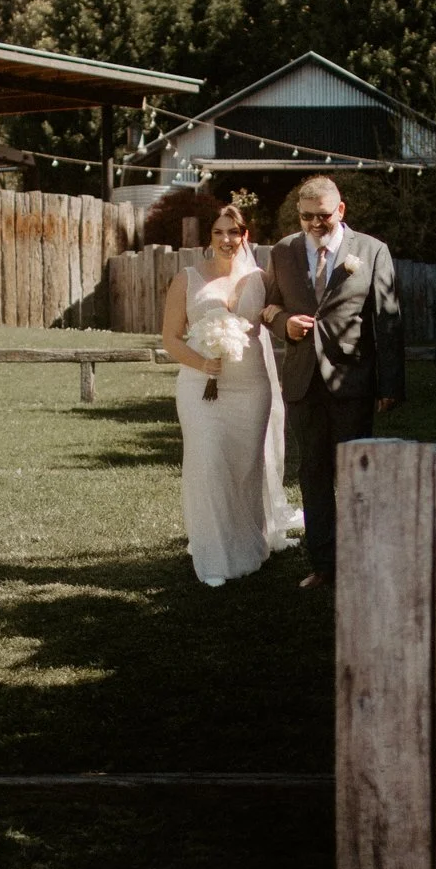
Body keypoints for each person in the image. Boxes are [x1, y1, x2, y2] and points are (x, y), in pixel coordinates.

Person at [259, 176, 405, 588]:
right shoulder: (283, 251)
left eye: (322, 216)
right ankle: (324, 566)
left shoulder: (372, 251)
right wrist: (286, 325)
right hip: (303, 382)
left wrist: (389, 383)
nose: (314, 225)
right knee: (314, 472)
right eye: (306, 217)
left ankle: (362, 561)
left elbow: (388, 320)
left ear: (340, 211)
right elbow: (269, 307)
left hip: (352, 380)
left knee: (356, 473)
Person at [161, 202, 292, 586]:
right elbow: (170, 338)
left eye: (233, 232)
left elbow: (279, 315)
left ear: (245, 236)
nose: (226, 239)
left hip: (251, 388)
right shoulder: (187, 279)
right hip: (200, 387)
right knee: (209, 464)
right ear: (209, 237)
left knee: (244, 470)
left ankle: (247, 547)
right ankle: (214, 557)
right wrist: (202, 363)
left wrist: (277, 316)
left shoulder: (261, 278)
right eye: (219, 232)